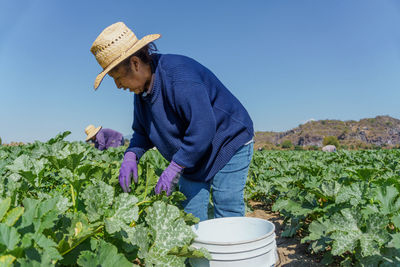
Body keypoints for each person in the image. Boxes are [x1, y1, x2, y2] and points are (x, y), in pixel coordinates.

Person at [90, 22, 254, 221]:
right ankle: (201, 252)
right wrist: (131, 154)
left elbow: (203, 128)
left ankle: (236, 251)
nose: (117, 86)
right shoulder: (142, 93)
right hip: (193, 155)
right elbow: (143, 132)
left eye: (117, 77)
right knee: (190, 216)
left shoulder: (179, 76)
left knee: (227, 206)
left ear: (135, 63)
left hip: (228, 141)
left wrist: (176, 167)